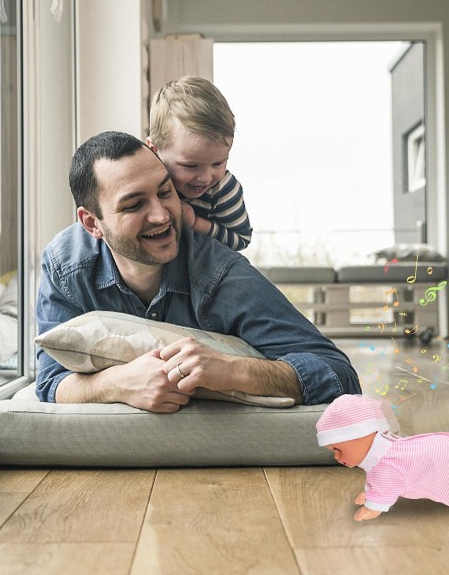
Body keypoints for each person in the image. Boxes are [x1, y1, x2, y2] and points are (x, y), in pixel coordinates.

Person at [35, 130, 361, 412]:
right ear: (92, 223)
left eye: (165, 192)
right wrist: (117, 383)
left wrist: (233, 371)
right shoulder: (66, 267)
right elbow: (51, 381)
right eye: (134, 205)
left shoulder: (222, 275)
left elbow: (339, 375)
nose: (162, 216)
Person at [316, 395, 449, 522]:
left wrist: (371, 508)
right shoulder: (385, 448)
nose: (336, 456)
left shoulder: (384, 466)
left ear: (361, 435)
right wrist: (371, 494)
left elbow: (384, 489)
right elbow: (382, 483)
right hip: (444, 447)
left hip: (441, 462)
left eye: (337, 448)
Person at [146, 76, 252, 251]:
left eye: (218, 163)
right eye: (190, 166)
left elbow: (241, 239)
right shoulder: (143, 182)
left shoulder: (224, 188)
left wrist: (197, 223)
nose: (205, 177)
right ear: (154, 150)